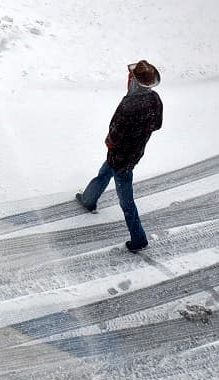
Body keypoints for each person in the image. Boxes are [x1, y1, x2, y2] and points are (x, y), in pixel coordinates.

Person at [76, 60, 163, 252]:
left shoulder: (128, 105)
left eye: (131, 76)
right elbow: (157, 125)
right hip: (134, 153)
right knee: (104, 172)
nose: (128, 78)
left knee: (126, 201)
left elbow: (113, 136)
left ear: (135, 82)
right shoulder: (155, 99)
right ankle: (89, 200)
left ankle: (139, 239)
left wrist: (114, 144)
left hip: (122, 159)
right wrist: (138, 135)